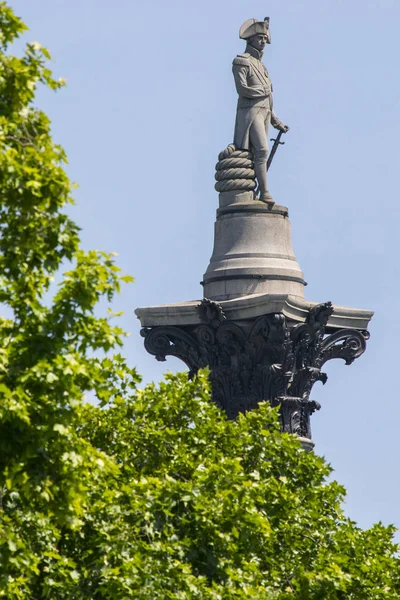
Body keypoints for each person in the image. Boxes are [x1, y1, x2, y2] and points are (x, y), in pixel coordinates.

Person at [233, 18, 289, 203]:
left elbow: (268, 101)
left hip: (264, 113)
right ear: (250, 39)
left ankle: (260, 190)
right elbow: (242, 90)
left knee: (259, 153)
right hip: (250, 113)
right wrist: (263, 90)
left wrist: (277, 122)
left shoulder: (262, 66)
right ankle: (265, 192)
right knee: (262, 150)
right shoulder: (242, 61)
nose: (263, 41)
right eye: (260, 37)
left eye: (265, 38)